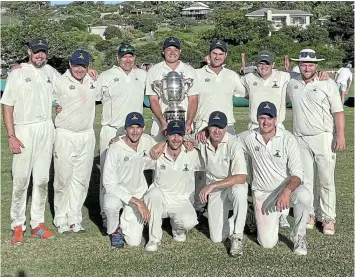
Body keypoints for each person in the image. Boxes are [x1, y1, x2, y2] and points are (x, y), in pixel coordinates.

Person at [1, 38, 60, 245]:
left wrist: (88, 71)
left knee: (42, 179)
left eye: (43, 52)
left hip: (46, 128)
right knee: (20, 180)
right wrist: (11, 135)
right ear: (29, 52)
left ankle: (37, 224)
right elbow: (7, 106)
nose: (40, 55)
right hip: (23, 130)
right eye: (36, 52)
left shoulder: (51, 72)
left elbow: (67, 85)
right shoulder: (17, 73)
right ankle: (17, 225)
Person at [239, 102, 311, 255]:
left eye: (269, 118)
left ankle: (299, 236)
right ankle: (253, 211)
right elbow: (227, 141)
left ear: (276, 119)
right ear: (256, 119)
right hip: (263, 194)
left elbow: (298, 174)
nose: (266, 122)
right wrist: (203, 134)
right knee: (267, 244)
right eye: (262, 118)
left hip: (286, 191)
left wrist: (286, 191)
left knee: (304, 195)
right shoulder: (249, 137)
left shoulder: (288, 139)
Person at [287, 49, 346, 235]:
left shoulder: (327, 83)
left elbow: (338, 111)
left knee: (327, 180)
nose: (307, 67)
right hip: (300, 138)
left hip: (323, 137)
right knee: (305, 181)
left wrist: (340, 135)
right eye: (303, 64)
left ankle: (328, 218)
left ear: (317, 66)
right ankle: (310, 214)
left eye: (311, 64)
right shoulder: (292, 82)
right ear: (298, 65)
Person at [96, 43, 147, 230]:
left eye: (131, 56)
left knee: (133, 171)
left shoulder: (142, 75)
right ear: (117, 58)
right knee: (107, 175)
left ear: (135, 58)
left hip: (134, 131)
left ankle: (132, 209)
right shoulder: (106, 76)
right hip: (111, 129)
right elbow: (89, 93)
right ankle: (105, 214)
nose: (128, 59)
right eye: (124, 56)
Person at [52, 50, 96, 234]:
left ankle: (74, 218)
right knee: (63, 178)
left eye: (83, 65)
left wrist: (93, 72)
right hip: (65, 134)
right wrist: (55, 106)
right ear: (70, 64)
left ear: (88, 66)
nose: (79, 69)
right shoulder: (60, 82)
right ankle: (60, 218)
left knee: (82, 179)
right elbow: (50, 100)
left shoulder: (92, 80)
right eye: (76, 65)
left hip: (86, 135)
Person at [144, 120, 201, 252]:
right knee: (154, 193)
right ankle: (154, 238)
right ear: (166, 135)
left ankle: (178, 229)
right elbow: (139, 159)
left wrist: (192, 142)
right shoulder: (158, 152)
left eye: (179, 135)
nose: (176, 139)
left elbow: (208, 144)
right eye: (172, 135)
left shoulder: (192, 153)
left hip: (181, 200)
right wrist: (161, 144)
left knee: (189, 222)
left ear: (184, 136)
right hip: (161, 200)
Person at [197, 111, 248, 256]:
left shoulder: (234, 143)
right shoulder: (202, 139)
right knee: (216, 238)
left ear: (226, 127)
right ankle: (242, 216)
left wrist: (212, 185)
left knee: (240, 191)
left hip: (232, 184)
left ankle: (238, 236)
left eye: (220, 127)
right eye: (213, 126)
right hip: (216, 189)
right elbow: (179, 138)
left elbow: (242, 177)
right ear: (208, 127)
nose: (217, 131)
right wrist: (162, 144)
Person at [103, 112, 155, 248]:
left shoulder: (147, 141)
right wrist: (137, 202)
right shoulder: (115, 148)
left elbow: (168, 144)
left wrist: (164, 144)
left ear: (143, 128)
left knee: (134, 242)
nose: (135, 131)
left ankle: (129, 221)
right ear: (125, 129)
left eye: (138, 127)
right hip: (118, 192)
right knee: (111, 204)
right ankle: (114, 231)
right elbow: (108, 184)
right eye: (131, 127)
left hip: (138, 191)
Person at [145, 37, 199, 141]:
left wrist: (189, 122)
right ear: (163, 51)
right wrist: (163, 122)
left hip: (184, 124)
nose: (172, 52)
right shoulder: (154, 70)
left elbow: (193, 99)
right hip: (160, 125)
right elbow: (153, 100)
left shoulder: (190, 70)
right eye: (168, 49)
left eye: (175, 49)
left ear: (180, 51)